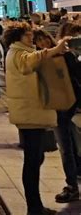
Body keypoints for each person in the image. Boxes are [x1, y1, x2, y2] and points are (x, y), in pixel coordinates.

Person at [3, 21, 70, 215]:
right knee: (32, 160)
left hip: (30, 112)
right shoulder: (18, 53)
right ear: (17, 37)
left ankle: (36, 205)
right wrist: (55, 48)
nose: (31, 37)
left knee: (35, 157)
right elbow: (30, 61)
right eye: (27, 35)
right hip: (29, 113)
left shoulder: (20, 51)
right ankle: (34, 207)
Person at [51, 22, 81, 204]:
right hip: (65, 105)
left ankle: (72, 184)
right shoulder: (59, 54)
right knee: (67, 146)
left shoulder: (64, 55)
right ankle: (72, 184)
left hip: (67, 105)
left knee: (67, 147)